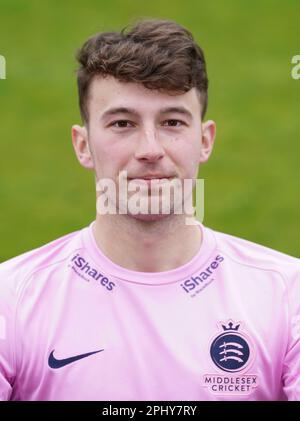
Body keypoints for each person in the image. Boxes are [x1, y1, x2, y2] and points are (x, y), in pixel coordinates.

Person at [0, 19, 299, 402]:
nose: (151, 149)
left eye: (172, 122)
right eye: (122, 123)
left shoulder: (288, 296)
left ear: (204, 140)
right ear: (83, 145)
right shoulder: (12, 300)